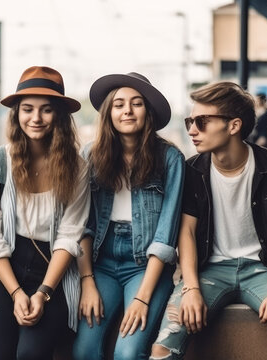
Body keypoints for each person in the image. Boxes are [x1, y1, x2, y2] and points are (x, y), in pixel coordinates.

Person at [150, 81, 267, 360]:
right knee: (163, 346)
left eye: (202, 121)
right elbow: (187, 234)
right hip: (210, 272)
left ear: (233, 125)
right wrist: (191, 287)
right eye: (190, 121)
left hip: (264, 269)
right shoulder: (193, 170)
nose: (192, 130)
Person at [0, 66, 90, 360]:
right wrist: (17, 293)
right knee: (1, 354)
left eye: (46, 110)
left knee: (31, 354)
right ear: (17, 113)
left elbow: (70, 236)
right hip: (2, 269)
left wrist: (43, 293)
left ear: (59, 115)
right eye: (28, 109)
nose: (36, 118)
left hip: (51, 270)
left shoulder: (77, 169)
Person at [72, 72, 185, 360]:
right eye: (119, 104)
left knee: (129, 352)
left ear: (148, 111)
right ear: (109, 111)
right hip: (101, 264)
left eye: (136, 103)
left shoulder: (170, 159)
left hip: (145, 266)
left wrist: (142, 298)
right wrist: (87, 281)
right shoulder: (91, 155)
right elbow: (82, 225)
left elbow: (166, 235)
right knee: (84, 351)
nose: (127, 111)